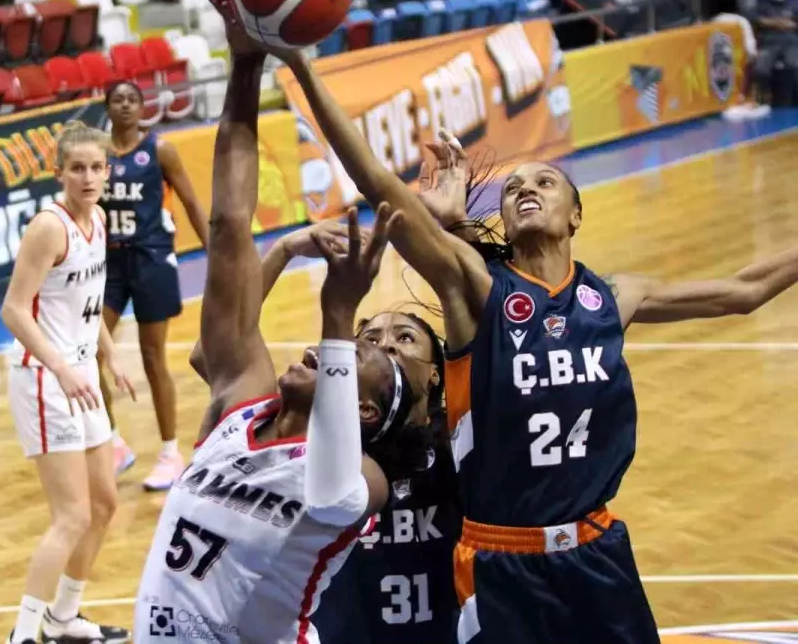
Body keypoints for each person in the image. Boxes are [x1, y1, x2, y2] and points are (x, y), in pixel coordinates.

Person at [272, 44, 798, 643]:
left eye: (546, 182)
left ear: (575, 215)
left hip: (597, 553)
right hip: (503, 563)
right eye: (513, 185)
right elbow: (382, 188)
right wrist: (306, 70)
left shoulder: (616, 297)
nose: (526, 189)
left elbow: (745, 290)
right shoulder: (477, 290)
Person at [134, 0, 438, 644]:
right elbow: (227, 226)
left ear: (362, 411)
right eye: (354, 339)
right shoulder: (242, 405)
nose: (322, 349)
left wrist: (338, 311)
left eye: (358, 355)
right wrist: (244, 67)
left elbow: (329, 491)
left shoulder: (364, 480)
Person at [0, 121, 137, 644]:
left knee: (104, 503)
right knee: (72, 515)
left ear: (107, 171)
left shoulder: (99, 221)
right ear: (59, 173)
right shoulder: (48, 228)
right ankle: (23, 635)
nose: (88, 177)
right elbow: (13, 310)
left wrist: (108, 353)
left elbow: (86, 305)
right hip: (44, 379)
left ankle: (62, 619)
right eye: (77, 168)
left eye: (97, 167)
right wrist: (60, 365)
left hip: (81, 377)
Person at [99, 80, 210, 489]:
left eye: (132, 99)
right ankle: (113, 444)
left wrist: (217, 253)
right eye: (117, 99)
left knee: (152, 357)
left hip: (151, 259)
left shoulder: (160, 150)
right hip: (109, 263)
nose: (125, 105)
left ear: (142, 107)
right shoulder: (97, 154)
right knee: (90, 353)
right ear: (107, 106)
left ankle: (170, 452)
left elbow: (192, 202)